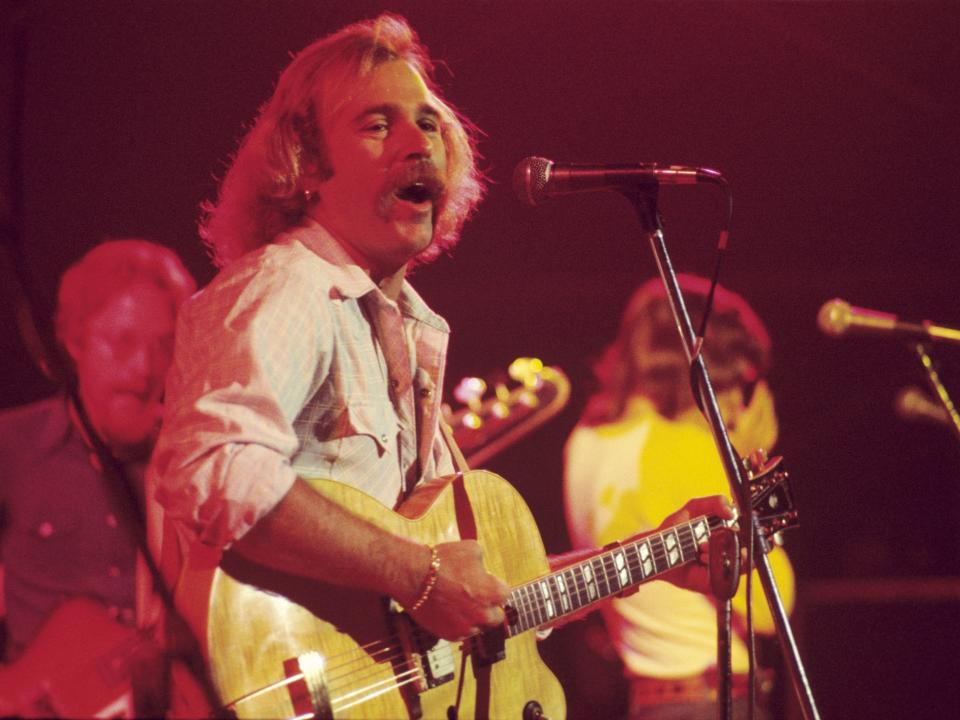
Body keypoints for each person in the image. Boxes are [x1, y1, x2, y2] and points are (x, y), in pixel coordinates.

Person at [149, 13, 733, 715]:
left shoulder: (406, 326)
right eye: (376, 124)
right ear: (305, 162)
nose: (418, 142)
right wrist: (417, 574)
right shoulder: (288, 287)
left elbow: (476, 602)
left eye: (428, 123)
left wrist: (653, 555)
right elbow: (216, 469)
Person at [564, 274, 796, 720]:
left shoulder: (584, 444)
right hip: (712, 699)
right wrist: (747, 475)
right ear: (708, 373)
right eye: (737, 384)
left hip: (649, 700)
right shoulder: (684, 447)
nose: (734, 407)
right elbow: (773, 606)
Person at [0, 239, 196, 716]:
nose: (144, 368)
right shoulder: (12, 447)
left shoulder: (190, 466)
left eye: (163, 346)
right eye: (123, 342)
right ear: (75, 342)